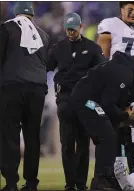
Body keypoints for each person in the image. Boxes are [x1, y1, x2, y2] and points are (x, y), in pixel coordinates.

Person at [69, 50, 134, 190]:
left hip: (88, 98)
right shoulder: (125, 73)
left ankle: (108, 175)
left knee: (111, 134)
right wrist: (125, 116)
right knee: (107, 135)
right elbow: (108, 103)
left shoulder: (127, 69)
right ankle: (101, 179)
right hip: (86, 101)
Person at [47, 12, 105, 190]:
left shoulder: (93, 48)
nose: (71, 33)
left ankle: (80, 183)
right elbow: (44, 67)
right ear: (65, 29)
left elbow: (101, 72)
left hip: (85, 99)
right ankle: (69, 183)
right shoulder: (58, 48)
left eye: (73, 29)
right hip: (64, 98)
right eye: (68, 29)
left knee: (83, 142)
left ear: (81, 27)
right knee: (67, 143)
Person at [0, 2, 50, 191]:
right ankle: (31, 183)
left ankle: (11, 183)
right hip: (37, 89)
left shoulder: (7, 28)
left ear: (16, 13)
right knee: (32, 136)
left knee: (10, 135)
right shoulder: (43, 36)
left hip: (12, 87)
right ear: (32, 16)